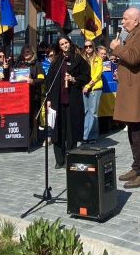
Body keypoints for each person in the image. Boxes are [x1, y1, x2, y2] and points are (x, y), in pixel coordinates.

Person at [110, 7, 140, 188]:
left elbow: (132, 58)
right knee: (133, 130)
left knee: (138, 131)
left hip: (138, 92)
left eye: (125, 19)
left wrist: (117, 48)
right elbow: (129, 58)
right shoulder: (134, 34)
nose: (122, 22)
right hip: (131, 89)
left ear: (137, 20)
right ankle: (137, 166)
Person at [44, 37, 89, 169]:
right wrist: (49, 100)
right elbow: (49, 82)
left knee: (71, 130)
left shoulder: (78, 59)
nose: (64, 45)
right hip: (57, 101)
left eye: (66, 43)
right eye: (62, 44)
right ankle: (59, 159)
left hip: (72, 100)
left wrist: (74, 79)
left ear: (70, 43)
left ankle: (71, 157)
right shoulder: (57, 61)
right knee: (58, 130)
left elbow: (86, 76)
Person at [14, 46, 45, 147]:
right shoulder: (19, 64)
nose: (26, 54)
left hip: (33, 96)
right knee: (22, 118)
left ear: (32, 53)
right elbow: (12, 76)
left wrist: (33, 81)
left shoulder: (37, 64)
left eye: (28, 52)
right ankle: (22, 140)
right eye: (24, 52)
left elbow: (42, 79)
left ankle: (33, 140)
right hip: (20, 97)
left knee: (33, 118)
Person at [81, 40, 103, 144]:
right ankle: (85, 136)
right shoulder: (82, 59)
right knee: (85, 112)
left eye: (90, 46)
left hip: (95, 88)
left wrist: (89, 85)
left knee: (93, 112)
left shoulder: (98, 59)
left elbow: (97, 75)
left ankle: (93, 136)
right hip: (84, 88)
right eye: (86, 47)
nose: (88, 48)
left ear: (93, 47)